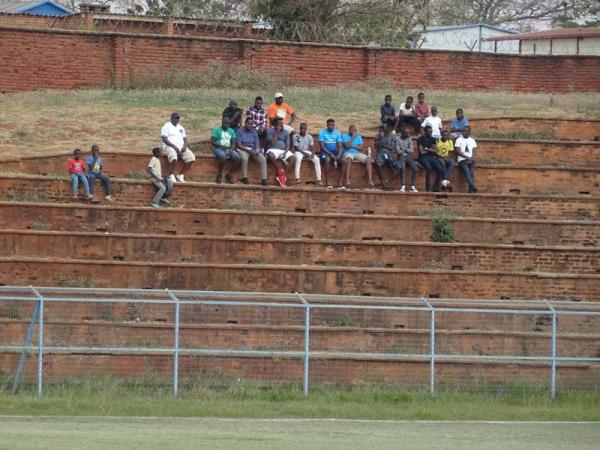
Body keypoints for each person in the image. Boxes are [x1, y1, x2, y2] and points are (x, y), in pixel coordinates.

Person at [160, 111, 196, 183]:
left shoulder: (181, 127)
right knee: (173, 156)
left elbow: (185, 139)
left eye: (178, 118)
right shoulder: (166, 126)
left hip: (181, 147)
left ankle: (180, 175)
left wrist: (184, 147)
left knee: (191, 157)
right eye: (175, 118)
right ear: (171, 118)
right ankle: (171, 174)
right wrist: (175, 148)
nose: (177, 119)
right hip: (169, 146)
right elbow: (164, 139)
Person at [236, 117, 268, 186]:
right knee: (244, 158)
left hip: (252, 149)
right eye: (249, 124)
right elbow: (238, 145)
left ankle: (264, 179)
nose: (250, 126)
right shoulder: (239, 131)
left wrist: (256, 150)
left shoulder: (254, 132)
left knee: (263, 159)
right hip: (243, 148)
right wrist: (248, 150)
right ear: (245, 123)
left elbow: (257, 144)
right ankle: (245, 177)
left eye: (252, 124)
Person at [265, 118, 294, 187]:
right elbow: (272, 143)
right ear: (274, 124)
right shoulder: (269, 131)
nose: (281, 125)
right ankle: (280, 171)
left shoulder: (286, 132)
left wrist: (285, 153)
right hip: (272, 149)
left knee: (293, 158)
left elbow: (288, 145)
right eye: (279, 124)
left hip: (283, 150)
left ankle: (283, 175)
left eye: (282, 123)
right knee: (270, 155)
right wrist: (277, 132)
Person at [212, 117, 239, 184]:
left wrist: (231, 149)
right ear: (222, 122)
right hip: (218, 148)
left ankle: (229, 175)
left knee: (238, 158)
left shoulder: (231, 131)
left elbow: (233, 142)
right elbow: (212, 142)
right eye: (225, 123)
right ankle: (220, 174)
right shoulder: (216, 130)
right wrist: (220, 145)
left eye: (228, 124)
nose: (227, 125)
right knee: (223, 156)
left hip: (228, 149)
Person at [317, 118, 343, 187]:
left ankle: (340, 182)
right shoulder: (322, 133)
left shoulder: (337, 133)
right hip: (324, 152)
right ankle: (327, 181)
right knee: (327, 159)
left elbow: (340, 146)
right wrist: (331, 154)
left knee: (345, 161)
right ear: (327, 125)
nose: (331, 126)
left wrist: (339, 154)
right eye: (330, 125)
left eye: (333, 125)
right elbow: (322, 147)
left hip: (335, 152)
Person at [417, 125, 443, 192]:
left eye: (431, 132)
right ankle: (427, 188)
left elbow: (435, 150)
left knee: (440, 169)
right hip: (422, 158)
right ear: (425, 132)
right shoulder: (420, 139)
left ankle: (436, 187)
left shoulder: (433, 139)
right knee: (428, 168)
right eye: (428, 132)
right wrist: (430, 149)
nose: (430, 133)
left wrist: (426, 148)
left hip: (431, 157)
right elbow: (421, 152)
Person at [374, 123, 399, 189]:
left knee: (398, 167)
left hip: (389, 154)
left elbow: (392, 148)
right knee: (378, 163)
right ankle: (383, 183)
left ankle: (388, 182)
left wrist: (383, 144)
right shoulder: (378, 135)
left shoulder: (393, 136)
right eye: (383, 128)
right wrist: (381, 141)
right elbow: (376, 145)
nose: (384, 129)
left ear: (389, 129)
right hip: (380, 153)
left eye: (385, 128)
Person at [454, 126, 478, 193]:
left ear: (469, 132)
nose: (464, 132)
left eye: (466, 131)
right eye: (463, 131)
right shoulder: (458, 140)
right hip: (462, 160)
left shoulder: (472, 140)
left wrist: (471, 158)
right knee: (467, 172)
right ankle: (473, 187)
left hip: (471, 159)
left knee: (471, 173)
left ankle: (471, 190)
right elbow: (458, 151)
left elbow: (474, 152)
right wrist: (466, 157)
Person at [396, 127, 418, 192]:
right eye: (407, 133)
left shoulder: (409, 138)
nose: (408, 134)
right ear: (403, 133)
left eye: (409, 133)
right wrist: (405, 151)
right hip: (401, 156)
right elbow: (398, 150)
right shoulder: (398, 139)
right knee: (402, 168)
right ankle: (403, 185)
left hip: (408, 156)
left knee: (415, 169)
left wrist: (404, 150)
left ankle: (412, 186)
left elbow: (412, 150)